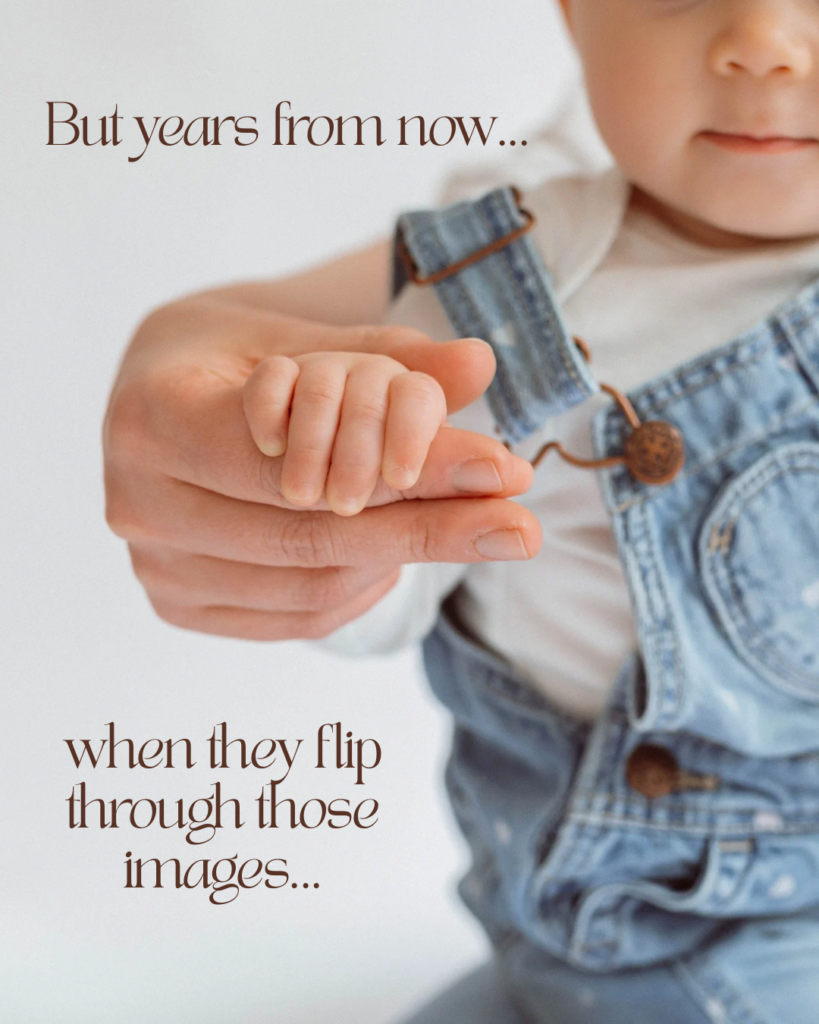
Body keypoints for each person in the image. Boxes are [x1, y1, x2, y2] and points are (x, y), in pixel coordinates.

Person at [103, 0, 819, 1020]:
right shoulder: (505, 293)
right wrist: (338, 462)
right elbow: (376, 597)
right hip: (578, 927)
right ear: (575, 17)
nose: (765, 41)